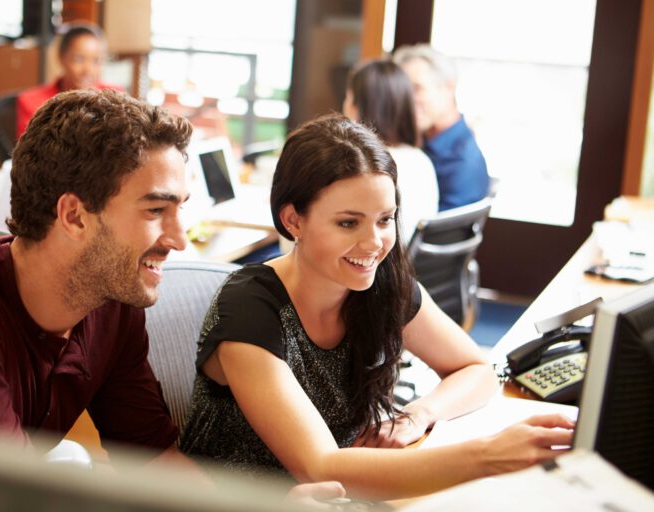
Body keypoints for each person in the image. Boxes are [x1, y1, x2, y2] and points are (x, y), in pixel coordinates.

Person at [0, 88, 345, 505]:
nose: (179, 238)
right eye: (155, 210)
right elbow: (2, 497)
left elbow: (154, 463)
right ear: (74, 216)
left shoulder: (113, 308)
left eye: (179, 209)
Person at [178, 114, 574, 499]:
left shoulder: (382, 284)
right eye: (348, 223)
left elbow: (475, 370)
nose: (374, 244)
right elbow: (321, 467)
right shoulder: (250, 306)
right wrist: (488, 455)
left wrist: (420, 413)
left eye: (385, 220)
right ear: (293, 220)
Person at [343, 58, 438, 242]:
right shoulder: (421, 161)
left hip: (369, 265)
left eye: (348, 97)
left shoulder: (362, 166)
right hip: (403, 267)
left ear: (355, 109)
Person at [393, 44, 489, 211]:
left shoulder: (461, 160)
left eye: (417, 88)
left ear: (448, 88)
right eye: (403, 91)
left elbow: (436, 234)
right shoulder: (421, 141)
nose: (407, 100)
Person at [15, 22, 123, 138]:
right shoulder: (32, 102)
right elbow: (31, 149)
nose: (88, 69)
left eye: (96, 60)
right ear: (61, 57)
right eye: (79, 59)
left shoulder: (114, 97)